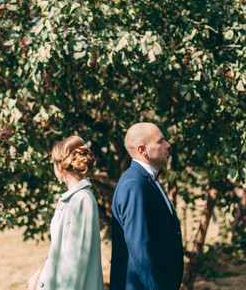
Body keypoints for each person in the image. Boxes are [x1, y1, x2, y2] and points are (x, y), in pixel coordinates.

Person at [110, 122, 184, 290]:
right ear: (142, 150)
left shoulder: (147, 180)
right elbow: (140, 248)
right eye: (160, 141)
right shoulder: (134, 184)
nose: (168, 145)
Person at [27, 135, 105, 290]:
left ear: (59, 167)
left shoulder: (82, 200)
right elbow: (58, 249)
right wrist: (39, 274)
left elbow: (77, 263)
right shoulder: (68, 199)